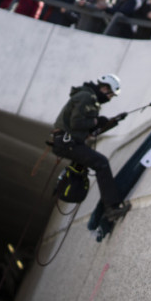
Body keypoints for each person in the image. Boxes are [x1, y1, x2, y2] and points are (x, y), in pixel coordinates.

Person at [50, 74, 130, 220]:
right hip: (67, 142)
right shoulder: (87, 97)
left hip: (67, 142)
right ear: (105, 88)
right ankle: (111, 209)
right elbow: (77, 123)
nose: (110, 98)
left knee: (98, 163)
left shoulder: (88, 97)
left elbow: (87, 129)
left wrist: (111, 122)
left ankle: (110, 207)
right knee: (101, 163)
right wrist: (95, 121)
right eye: (111, 94)